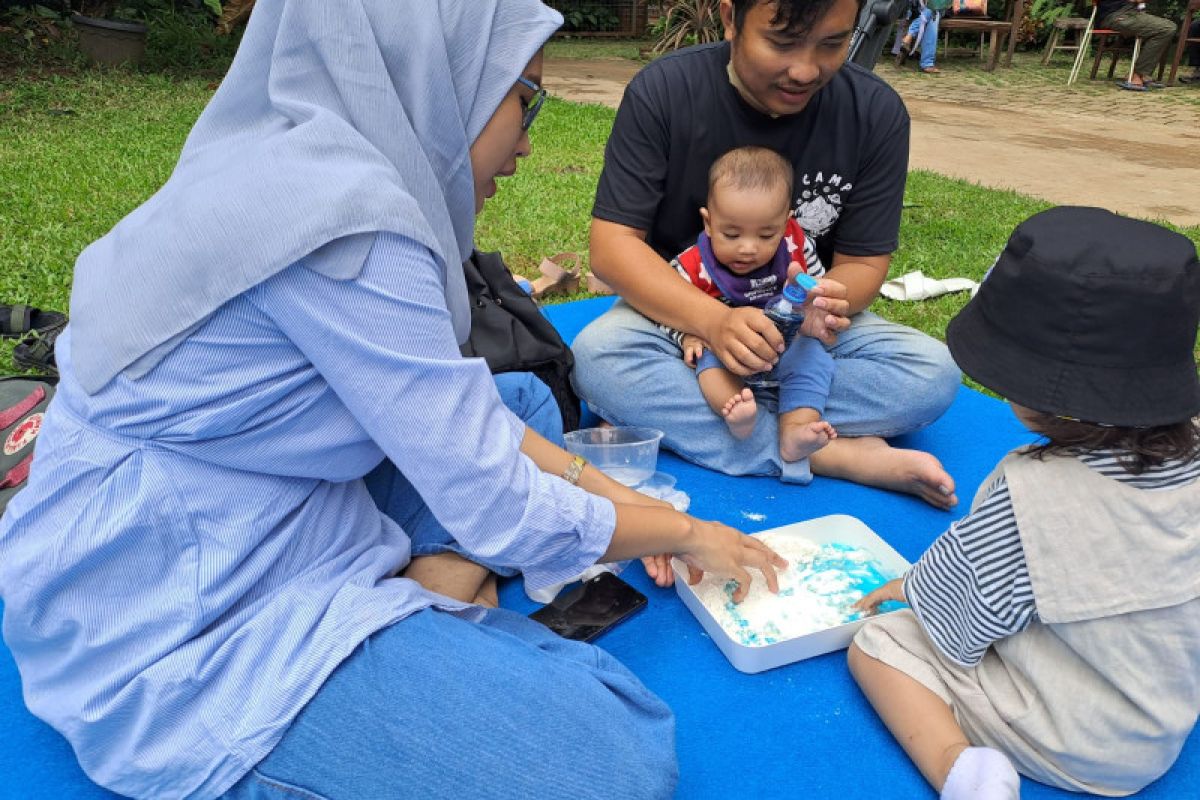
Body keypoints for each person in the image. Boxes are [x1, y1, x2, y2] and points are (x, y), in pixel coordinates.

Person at [0, 2, 789, 798]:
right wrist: (687, 533)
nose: (523, 143)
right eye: (526, 99)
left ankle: (433, 586)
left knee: (518, 400)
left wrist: (623, 504)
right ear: (436, 69)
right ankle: (410, 617)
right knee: (613, 758)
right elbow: (499, 499)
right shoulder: (347, 220)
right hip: (175, 606)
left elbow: (473, 422)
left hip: (251, 486)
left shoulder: (282, 149)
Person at [847, 206, 1200, 799]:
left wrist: (910, 588)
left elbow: (958, 627)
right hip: (1165, 715)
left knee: (882, 647)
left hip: (1076, 741)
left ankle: (964, 774)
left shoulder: (1030, 493)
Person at [571, 0, 962, 500]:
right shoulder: (665, 92)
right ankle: (826, 451)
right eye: (781, 42)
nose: (805, 69)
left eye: (832, 44)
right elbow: (611, 248)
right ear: (731, 18)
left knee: (932, 374)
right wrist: (712, 322)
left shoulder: (875, 113)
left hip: (802, 329)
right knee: (599, 358)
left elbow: (862, 265)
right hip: (681, 324)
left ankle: (725, 419)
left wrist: (822, 304)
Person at [667, 146, 836, 463]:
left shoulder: (798, 249)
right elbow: (666, 310)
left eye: (766, 234)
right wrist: (688, 335)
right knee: (707, 364)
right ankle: (738, 413)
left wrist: (815, 305)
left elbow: (818, 286)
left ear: (786, 225)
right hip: (726, 351)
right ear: (708, 222)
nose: (747, 248)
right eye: (730, 234)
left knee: (814, 359)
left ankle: (796, 430)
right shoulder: (691, 266)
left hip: (783, 343)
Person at [1097, 0, 1177, 91]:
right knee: (1166, 29)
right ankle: (1137, 74)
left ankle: (1141, 74)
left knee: (1168, 27)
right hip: (1117, 15)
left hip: (1131, 12)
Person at [894, 0, 946, 74]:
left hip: (938, 7)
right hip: (916, 9)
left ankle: (909, 36)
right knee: (932, 18)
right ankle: (927, 64)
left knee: (932, 12)